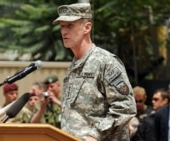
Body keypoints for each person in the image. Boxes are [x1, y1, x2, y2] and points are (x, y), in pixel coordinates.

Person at [53, 2, 136, 141]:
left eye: (70, 25)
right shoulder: (73, 67)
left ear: (87, 27)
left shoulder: (105, 62)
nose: (64, 31)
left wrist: (95, 135)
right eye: (62, 26)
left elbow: (125, 107)